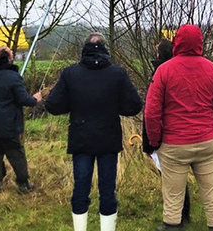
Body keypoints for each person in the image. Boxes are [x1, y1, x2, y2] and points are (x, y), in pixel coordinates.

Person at [45, 33, 142, 231]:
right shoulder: (118, 73)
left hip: (81, 138)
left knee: (81, 188)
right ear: (105, 49)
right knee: (107, 191)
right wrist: (115, 108)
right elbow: (134, 105)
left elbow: (53, 105)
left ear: (84, 49)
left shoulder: (70, 73)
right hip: (108, 137)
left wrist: (73, 106)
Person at [144, 24, 213, 231]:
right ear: (200, 43)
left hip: (174, 144)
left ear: (177, 42)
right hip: (206, 141)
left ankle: (172, 227)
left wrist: (156, 140)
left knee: (173, 200)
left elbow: (151, 112)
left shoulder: (164, 70)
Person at [0, 46, 41, 194]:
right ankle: (23, 184)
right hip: (7, 125)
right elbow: (24, 99)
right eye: (11, 54)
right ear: (8, 59)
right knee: (16, 154)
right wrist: (35, 99)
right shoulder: (14, 77)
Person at [141, 39, 191, 226]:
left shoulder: (160, 74)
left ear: (159, 55)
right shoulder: (179, 73)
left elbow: (151, 112)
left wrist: (150, 142)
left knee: (171, 182)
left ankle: (176, 220)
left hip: (165, 137)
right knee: (177, 180)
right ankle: (183, 216)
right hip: (177, 134)